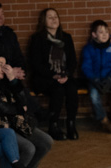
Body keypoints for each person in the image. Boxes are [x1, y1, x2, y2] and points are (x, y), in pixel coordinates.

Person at [0, 55, 53, 168]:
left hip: (15, 123)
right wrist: (19, 109)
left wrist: (13, 80)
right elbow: (1, 109)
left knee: (47, 142)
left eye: (6, 65)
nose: (4, 68)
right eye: (0, 65)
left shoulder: (5, 82)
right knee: (29, 148)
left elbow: (23, 100)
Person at [28, 7, 79, 140]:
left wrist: (66, 74)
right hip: (44, 78)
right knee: (58, 90)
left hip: (64, 75)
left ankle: (71, 124)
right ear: (43, 21)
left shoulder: (66, 38)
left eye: (56, 16)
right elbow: (35, 63)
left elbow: (73, 61)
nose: (54, 19)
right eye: (50, 17)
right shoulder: (37, 39)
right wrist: (53, 75)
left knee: (72, 89)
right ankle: (53, 125)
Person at [81, 19, 111, 134]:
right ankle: (104, 121)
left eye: (106, 31)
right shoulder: (88, 49)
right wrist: (94, 79)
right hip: (95, 79)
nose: (105, 34)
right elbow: (86, 67)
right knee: (93, 96)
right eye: (101, 32)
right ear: (94, 34)